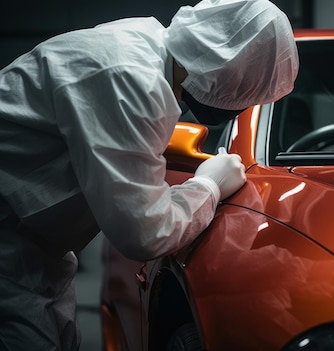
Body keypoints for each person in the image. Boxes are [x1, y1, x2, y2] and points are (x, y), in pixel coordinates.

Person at [0, 0, 299, 349]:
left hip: (32, 249)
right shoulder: (129, 79)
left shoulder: (144, 51)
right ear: (230, 72)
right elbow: (143, 233)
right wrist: (208, 185)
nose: (242, 104)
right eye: (246, 93)